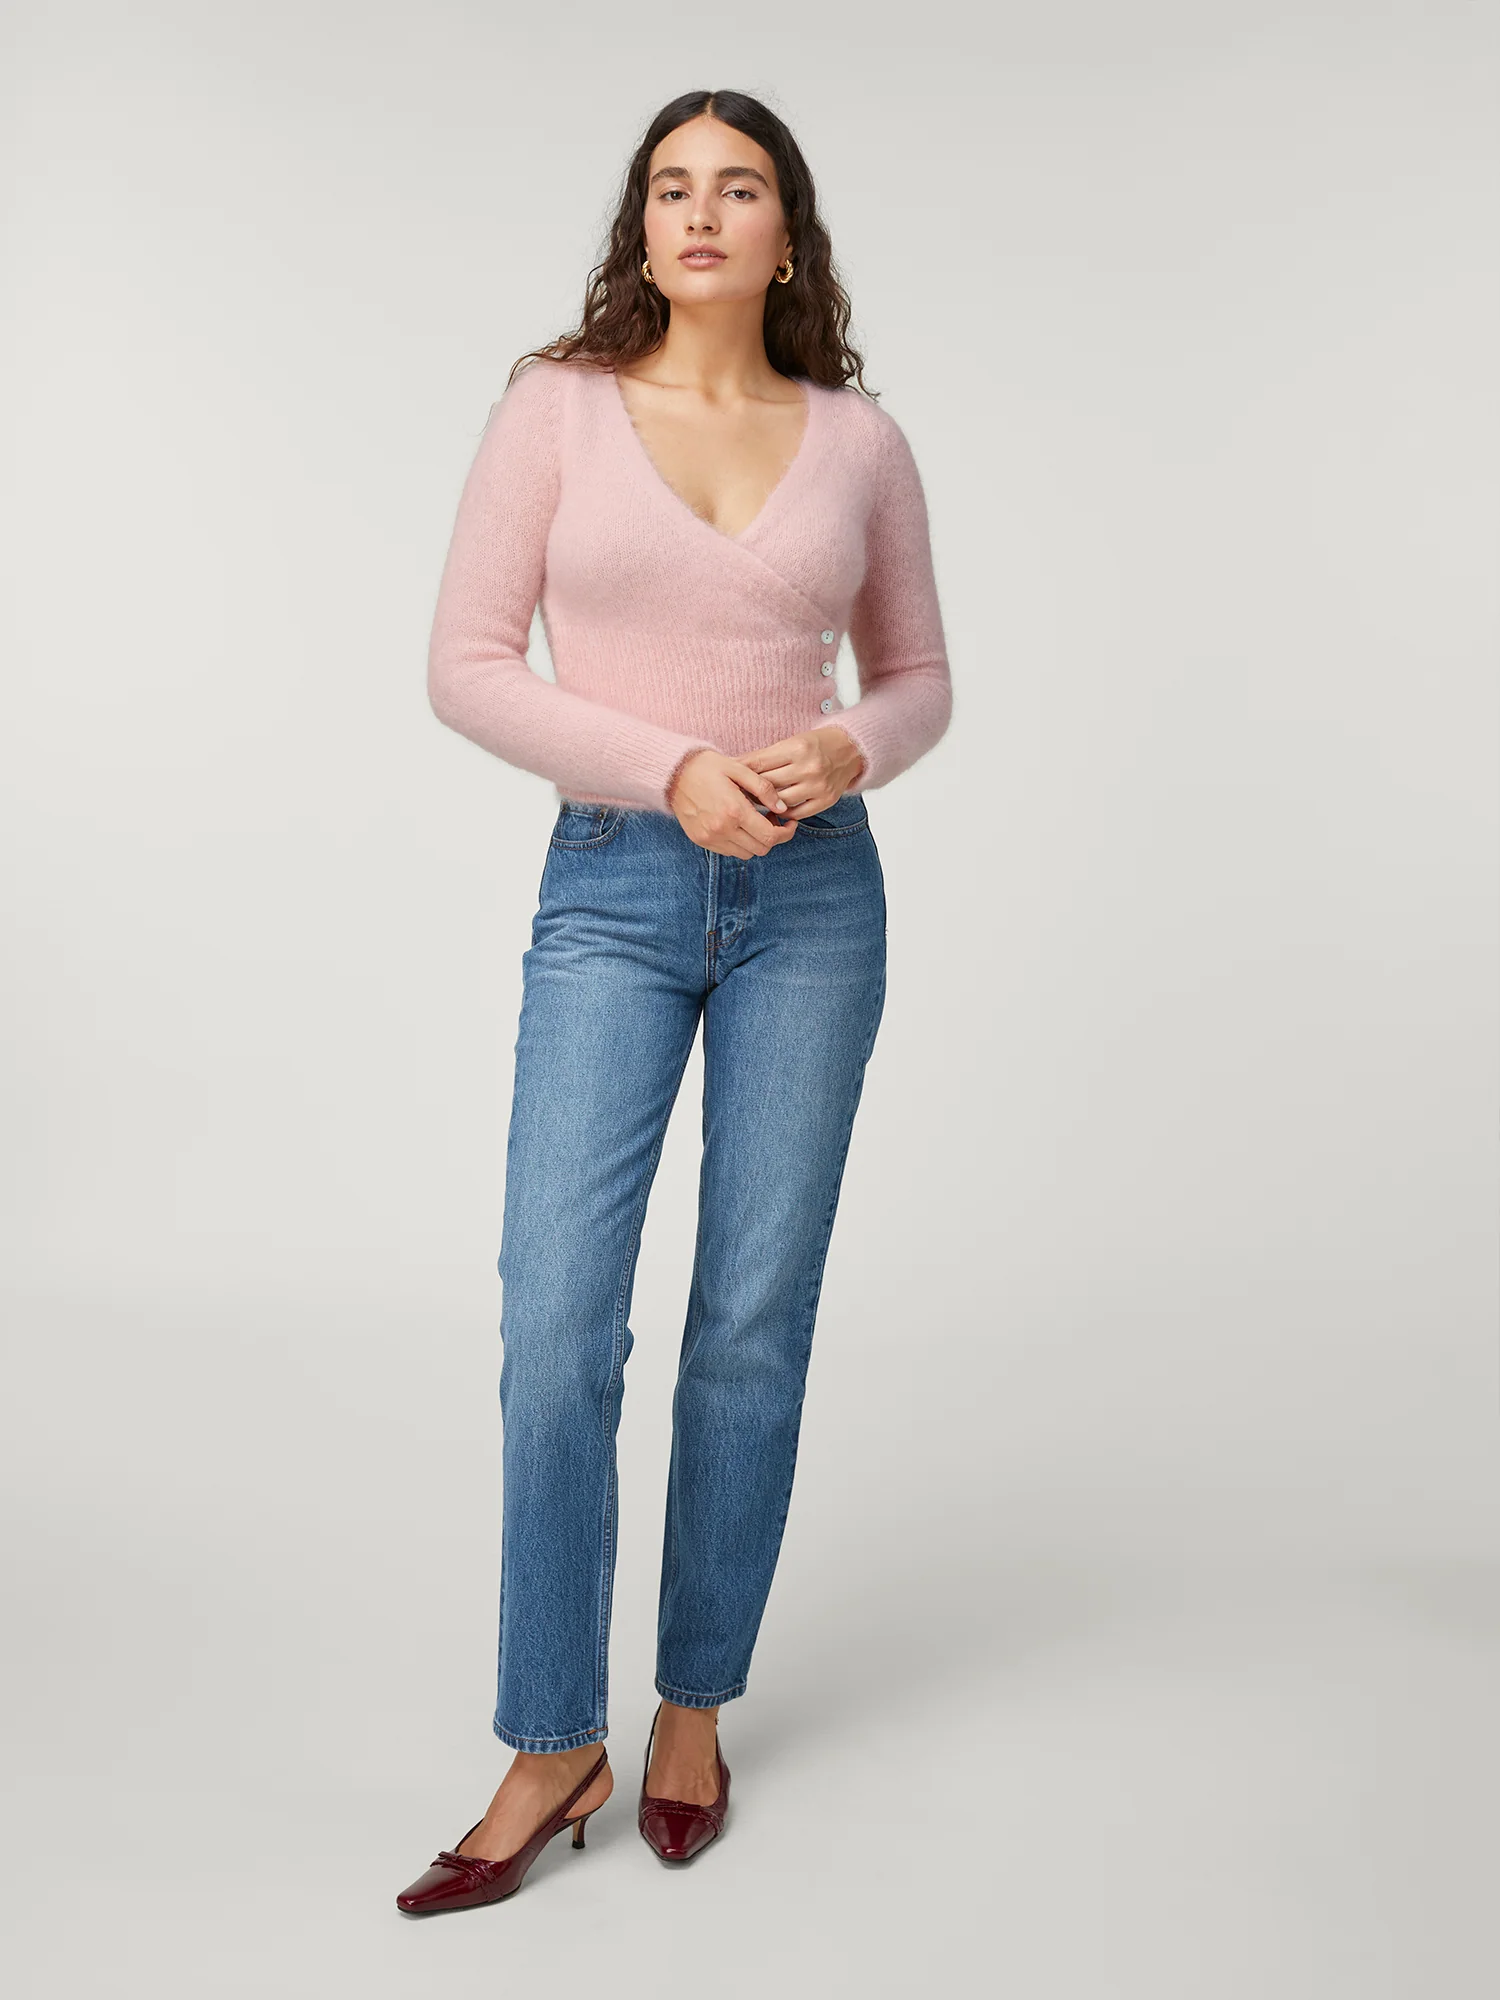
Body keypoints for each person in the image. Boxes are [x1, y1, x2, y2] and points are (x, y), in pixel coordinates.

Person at [396, 87, 952, 1916]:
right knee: (558, 1317)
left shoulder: (860, 440)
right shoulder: (554, 410)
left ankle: (694, 1701)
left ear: (789, 235)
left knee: (752, 1324)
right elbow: (467, 666)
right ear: (640, 226)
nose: (700, 213)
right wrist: (668, 770)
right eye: (669, 187)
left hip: (818, 905)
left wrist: (848, 747)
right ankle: (552, 1737)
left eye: (740, 187)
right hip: (615, 892)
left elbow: (920, 677)